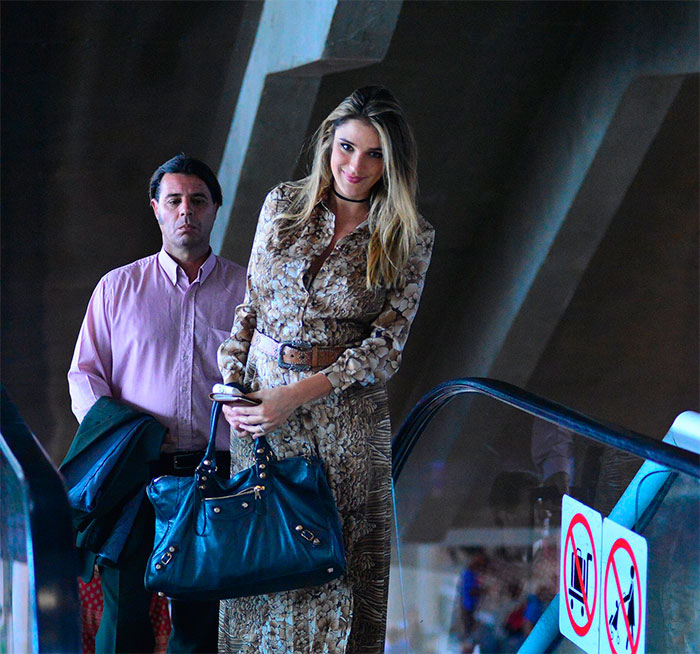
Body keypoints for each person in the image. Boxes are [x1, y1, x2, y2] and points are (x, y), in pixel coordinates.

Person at [217, 85, 435, 653]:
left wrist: (298, 395)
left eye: (374, 154)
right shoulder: (282, 205)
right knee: (262, 572)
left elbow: (386, 347)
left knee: (337, 578)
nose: (355, 166)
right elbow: (251, 305)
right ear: (327, 145)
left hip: (346, 425)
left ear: (393, 163)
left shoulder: (409, 235)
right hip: (262, 418)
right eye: (346, 147)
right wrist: (232, 384)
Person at [68, 154, 246, 653]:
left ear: (215, 209)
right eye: (174, 201)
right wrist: (123, 434)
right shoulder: (117, 288)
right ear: (156, 209)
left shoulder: (247, 290)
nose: (185, 210)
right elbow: (84, 375)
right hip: (133, 476)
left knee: (200, 623)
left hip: (215, 475)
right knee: (123, 619)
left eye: (198, 200)